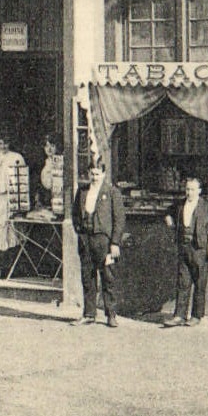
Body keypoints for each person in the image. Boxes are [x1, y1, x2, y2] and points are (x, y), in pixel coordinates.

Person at [163, 172, 208, 328]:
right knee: (183, 282)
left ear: (199, 191)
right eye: (187, 189)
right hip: (183, 247)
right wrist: (168, 219)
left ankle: (196, 316)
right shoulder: (180, 204)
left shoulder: (205, 206)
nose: (189, 193)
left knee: (200, 283)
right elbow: (167, 212)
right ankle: (179, 315)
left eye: (193, 189)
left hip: (199, 249)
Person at [72, 159, 126, 328]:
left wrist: (115, 243)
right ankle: (89, 314)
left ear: (103, 174)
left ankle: (111, 314)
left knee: (108, 277)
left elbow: (119, 219)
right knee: (87, 277)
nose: (94, 177)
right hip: (86, 239)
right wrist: (80, 232)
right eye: (92, 174)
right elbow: (75, 214)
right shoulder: (82, 192)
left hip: (104, 241)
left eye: (97, 174)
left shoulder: (111, 192)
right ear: (88, 174)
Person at [0, 132, 27, 278]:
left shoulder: (16, 157)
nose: (3, 146)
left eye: (5, 143)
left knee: (11, 234)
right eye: (0, 143)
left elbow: (22, 180)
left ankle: (10, 268)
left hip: (12, 199)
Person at [40, 135, 63, 214]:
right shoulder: (44, 163)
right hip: (48, 199)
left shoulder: (61, 162)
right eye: (46, 146)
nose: (49, 149)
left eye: (52, 146)